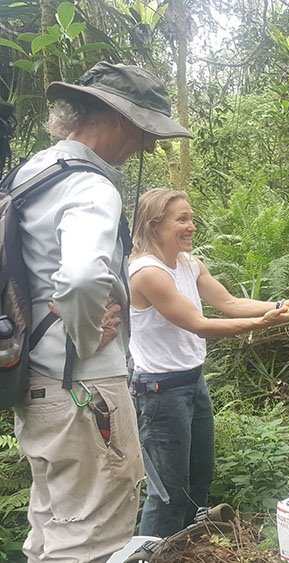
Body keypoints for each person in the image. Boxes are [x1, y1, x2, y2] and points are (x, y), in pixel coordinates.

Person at [10, 62, 192, 562]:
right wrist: (87, 334)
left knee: (52, 525)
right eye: (145, 130)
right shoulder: (91, 185)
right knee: (91, 537)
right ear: (115, 119)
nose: (149, 146)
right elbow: (84, 276)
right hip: (83, 387)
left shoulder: (31, 173)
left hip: (35, 382)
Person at [127, 188, 289, 537]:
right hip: (159, 392)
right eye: (182, 219)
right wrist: (261, 325)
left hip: (192, 382)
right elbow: (200, 325)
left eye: (191, 218)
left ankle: (184, 548)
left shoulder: (188, 263)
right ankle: (148, 553)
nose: (192, 226)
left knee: (198, 479)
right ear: (154, 225)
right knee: (167, 492)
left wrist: (279, 305)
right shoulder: (146, 272)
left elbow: (228, 303)